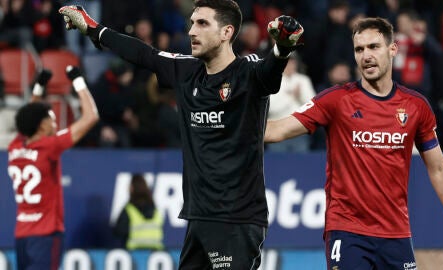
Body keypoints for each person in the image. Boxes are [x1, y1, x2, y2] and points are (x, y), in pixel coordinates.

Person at [59, 1, 303, 269]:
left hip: (236, 220)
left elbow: (269, 73)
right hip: (198, 218)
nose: (191, 31)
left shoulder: (249, 70)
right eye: (191, 23)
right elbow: (143, 54)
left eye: (202, 23)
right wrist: (94, 29)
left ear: (226, 32)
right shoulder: (186, 70)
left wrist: (282, 49)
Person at [264, 17, 443, 270]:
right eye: (359, 49)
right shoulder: (336, 100)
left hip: (396, 233)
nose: (366, 55)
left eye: (374, 47)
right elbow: (275, 131)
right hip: (347, 231)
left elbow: (438, 169)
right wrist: (220, 119)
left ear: (392, 49)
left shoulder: (416, 106)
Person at [7, 66, 99, 270]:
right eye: (51, 119)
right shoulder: (49, 146)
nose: (55, 124)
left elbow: (28, 118)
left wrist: (38, 88)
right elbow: (90, 116)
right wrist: (78, 81)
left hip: (22, 235)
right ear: (41, 125)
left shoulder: (15, 147)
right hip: (46, 235)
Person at [113, 173, 164, 250]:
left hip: (134, 254)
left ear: (132, 188)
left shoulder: (129, 209)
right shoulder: (155, 210)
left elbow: (119, 231)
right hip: (155, 253)